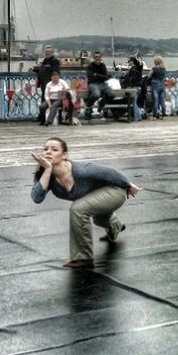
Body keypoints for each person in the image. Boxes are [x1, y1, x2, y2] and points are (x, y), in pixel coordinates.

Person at [30, 138, 141, 269]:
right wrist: (47, 169)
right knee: (99, 220)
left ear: (65, 155)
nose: (48, 152)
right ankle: (115, 226)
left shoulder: (81, 170)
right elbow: (37, 198)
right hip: (94, 198)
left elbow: (110, 173)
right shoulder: (47, 176)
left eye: (54, 149)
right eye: (45, 149)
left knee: (78, 209)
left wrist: (128, 185)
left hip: (115, 192)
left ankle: (83, 258)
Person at [31, 45, 61, 125]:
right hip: (43, 84)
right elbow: (42, 70)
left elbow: (56, 72)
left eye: (48, 52)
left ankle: (43, 119)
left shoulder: (55, 61)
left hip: (50, 85)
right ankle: (41, 118)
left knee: (46, 101)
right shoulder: (44, 61)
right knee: (43, 100)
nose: (47, 53)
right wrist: (36, 70)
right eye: (46, 52)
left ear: (52, 52)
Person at [84, 51, 115, 122]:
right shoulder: (90, 66)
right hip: (93, 84)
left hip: (102, 84)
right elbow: (91, 78)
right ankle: (88, 105)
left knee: (112, 94)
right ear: (93, 57)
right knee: (96, 95)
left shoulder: (103, 65)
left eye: (99, 57)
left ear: (101, 57)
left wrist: (97, 75)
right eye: (96, 57)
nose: (97, 58)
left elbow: (106, 77)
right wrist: (101, 76)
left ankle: (101, 103)